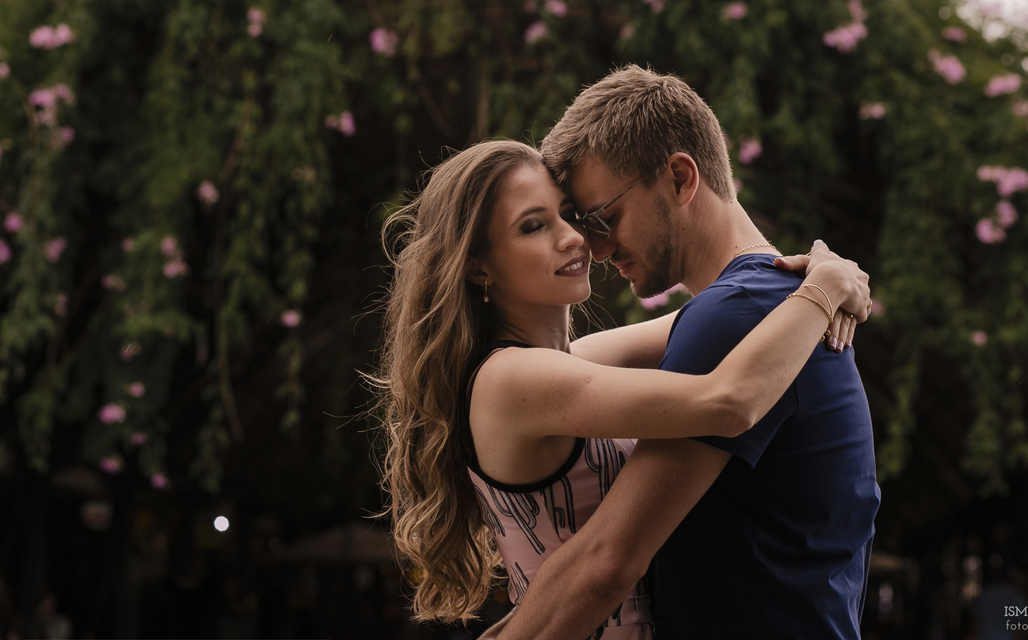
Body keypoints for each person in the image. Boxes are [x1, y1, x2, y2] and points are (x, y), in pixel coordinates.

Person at [371, 137, 870, 637]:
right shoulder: (512, 380)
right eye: (533, 226)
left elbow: (730, 314)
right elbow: (729, 400)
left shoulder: (567, 364)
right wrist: (824, 290)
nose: (573, 238)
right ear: (479, 265)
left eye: (570, 215)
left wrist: (811, 275)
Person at [485, 66, 882, 640]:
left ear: (679, 177)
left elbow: (608, 560)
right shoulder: (765, 305)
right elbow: (563, 365)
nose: (594, 249)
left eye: (603, 218)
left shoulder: (738, 314)